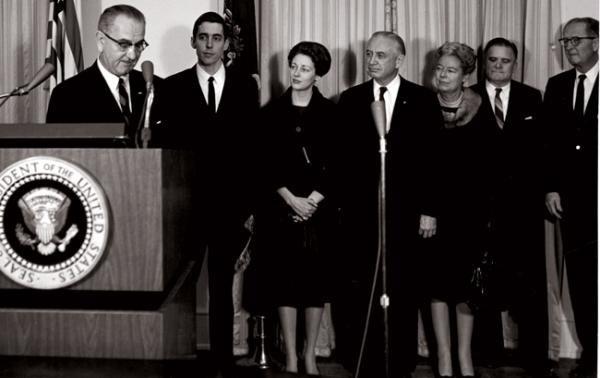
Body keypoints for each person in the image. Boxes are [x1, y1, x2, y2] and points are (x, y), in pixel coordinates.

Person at [157, 11, 259, 376]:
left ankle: (222, 363)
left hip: (230, 209)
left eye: (217, 38)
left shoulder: (246, 86)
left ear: (227, 43)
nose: (210, 44)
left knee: (221, 289)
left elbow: (252, 151)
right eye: (203, 37)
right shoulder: (171, 87)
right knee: (180, 287)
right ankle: (178, 358)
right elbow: (165, 150)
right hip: (186, 208)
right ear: (194, 41)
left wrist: (249, 207)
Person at [335, 31, 442, 378]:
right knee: (361, 289)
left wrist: (429, 209)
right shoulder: (351, 100)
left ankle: (399, 364)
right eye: (368, 54)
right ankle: (362, 361)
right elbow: (343, 161)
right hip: (362, 214)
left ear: (399, 60)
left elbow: (433, 161)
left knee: (403, 288)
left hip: (407, 213)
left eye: (380, 55)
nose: (371, 61)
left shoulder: (423, 100)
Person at [250, 41, 337, 375]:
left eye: (305, 69)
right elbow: (263, 165)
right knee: (284, 283)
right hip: (281, 211)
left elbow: (338, 164)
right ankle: (289, 355)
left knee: (315, 286)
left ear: (318, 74)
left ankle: (310, 355)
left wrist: (313, 200)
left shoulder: (331, 114)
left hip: (318, 212)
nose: (297, 74)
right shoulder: (270, 114)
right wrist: (290, 198)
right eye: (294, 66)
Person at [471, 37, 550, 378]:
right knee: (483, 279)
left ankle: (536, 355)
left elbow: (543, 152)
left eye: (505, 61)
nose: (499, 66)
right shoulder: (468, 96)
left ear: (514, 64)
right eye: (493, 60)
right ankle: (487, 353)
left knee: (529, 285)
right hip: (480, 207)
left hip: (523, 209)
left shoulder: (533, 97)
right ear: (484, 62)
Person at [428, 41, 496, 378]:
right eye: (439, 68)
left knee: (466, 288)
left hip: (470, 213)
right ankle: (443, 357)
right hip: (433, 215)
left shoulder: (481, 108)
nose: (442, 75)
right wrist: (427, 209)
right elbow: (417, 165)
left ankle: (464, 358)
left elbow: (491, 167)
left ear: (465, 75)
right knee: (438, 284)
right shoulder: (423, 108)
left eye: (450, 70)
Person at [543, 17, 598, 378]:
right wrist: (550, 186)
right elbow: (548, 145)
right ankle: (592, 358)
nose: (569, 46)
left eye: (576, 40)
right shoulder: (558, 85)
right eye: (565, 41)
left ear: (597, 42)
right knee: (580, 283)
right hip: (573, 205)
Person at [46, 4, 157, 145]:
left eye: (139, 45)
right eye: (124, 45)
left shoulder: (157, 88)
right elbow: (60, 156)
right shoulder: (67, 95)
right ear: (101, 41)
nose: (132, 55)